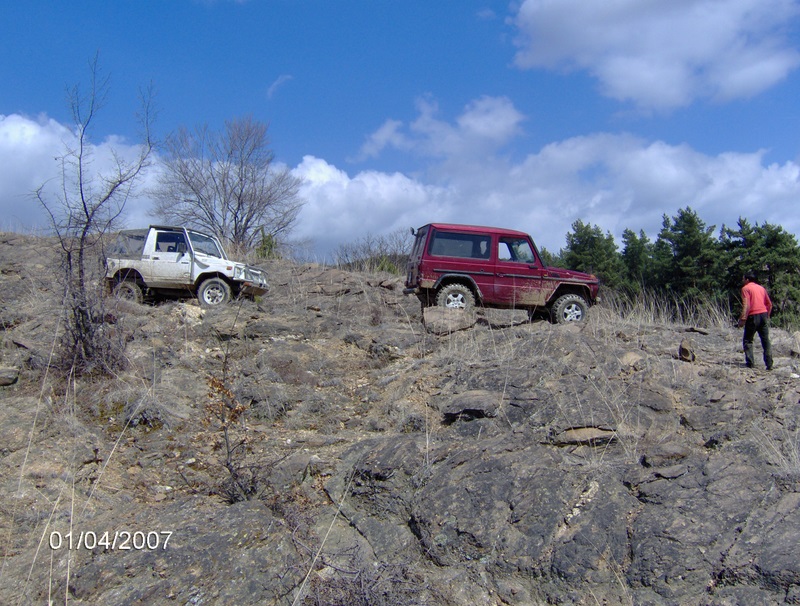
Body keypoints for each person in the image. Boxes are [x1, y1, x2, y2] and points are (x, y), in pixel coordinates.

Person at [738, 271, 773, 370]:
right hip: (763, 314)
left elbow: (746, 305)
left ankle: (750, 363)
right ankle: (769, 364)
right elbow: (769, 304)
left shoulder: (745, 288)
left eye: (743, 278)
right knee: (766, 341)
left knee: (748, 340)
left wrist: (743, 319)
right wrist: (767, 316)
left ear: (747, 279)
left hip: (752, 316)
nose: (742, 280)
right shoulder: (761, 288)